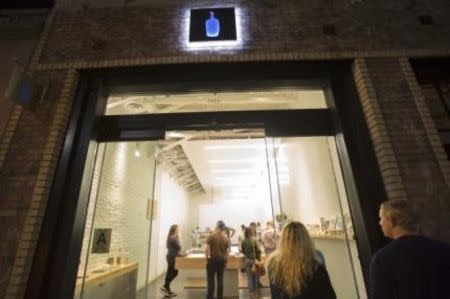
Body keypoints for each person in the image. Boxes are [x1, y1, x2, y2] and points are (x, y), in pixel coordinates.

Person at [370, 199, 450, 299]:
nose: (380, 223)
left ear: (391, 221)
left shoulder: (381, 260)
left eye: (381, 218)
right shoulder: (444, 249)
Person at [267, 221, 336, 299]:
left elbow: (275, 295)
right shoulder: (315, 268)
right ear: (306, 240)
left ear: (282, 240)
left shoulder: (273, 265)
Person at [205, 220, 230, 299]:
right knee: (220, 279)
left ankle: (210, 297)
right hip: (222, 261)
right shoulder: (225, 237)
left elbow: (207, 249)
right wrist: (226, 261)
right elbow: (227, 251)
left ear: (217, 226)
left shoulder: (212, 236)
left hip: (212, 260)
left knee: (211, 281)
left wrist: (207, 258)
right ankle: (220, 297)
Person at [161, 224, 183, 297]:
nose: (178, 230)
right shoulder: (172, 238)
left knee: (171, 272)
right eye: (177, 229)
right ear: (175, 230)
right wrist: (178, 238)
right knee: (174, 272)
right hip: (172, 257)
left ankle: (167, 288)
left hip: (171, 256)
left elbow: (177, 248)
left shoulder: (171, 237)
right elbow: (179, 247)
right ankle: (165, 286)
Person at [241, 227, 262, 299]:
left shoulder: (243, 241)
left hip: (247, 261)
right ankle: (256, 294)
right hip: (254, 261)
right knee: (255, 278)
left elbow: (242, 251)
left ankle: (251, 294)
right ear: (251, 232)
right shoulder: (254, 240)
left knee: (249, 278)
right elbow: (259, 250)